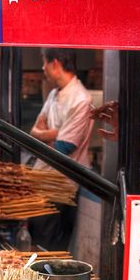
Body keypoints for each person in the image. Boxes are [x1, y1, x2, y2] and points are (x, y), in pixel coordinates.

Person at [29, 47, 93, 250]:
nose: (43, 68)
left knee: (50, 249)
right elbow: (34, 131)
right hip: (41, 181)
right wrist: (53, 132)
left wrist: (47, 135)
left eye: (44, 62)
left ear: (55, 64)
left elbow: (63, 147)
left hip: (61, 188)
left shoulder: (81, 100)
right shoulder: (53, 95)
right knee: (36, 242)